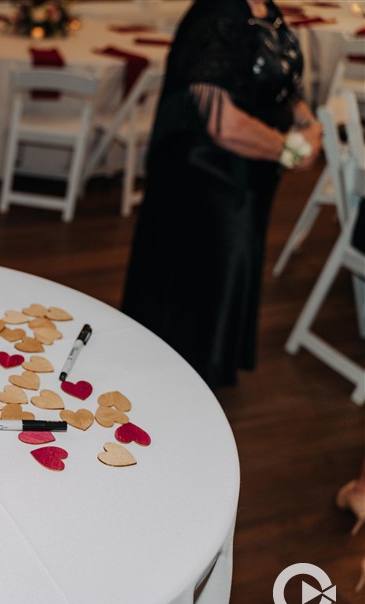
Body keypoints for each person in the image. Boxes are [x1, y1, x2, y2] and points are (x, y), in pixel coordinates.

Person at [121, 0, 321, 389]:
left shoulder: (267, 9)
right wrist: (288, 148)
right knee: (208, 271)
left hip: (252, 169)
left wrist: (308, 123)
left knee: (234, 265)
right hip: (205, 175)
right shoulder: (214, 16)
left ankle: (206, 368)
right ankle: (184, 377)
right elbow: (221, 122)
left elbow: (280, 79)